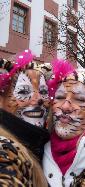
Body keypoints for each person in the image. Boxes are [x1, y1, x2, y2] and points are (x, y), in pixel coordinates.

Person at [0, 50, 52, 186]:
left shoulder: (44, 147)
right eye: (23, 91)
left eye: (43, 91)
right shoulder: (4, 150)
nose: (39, 99)